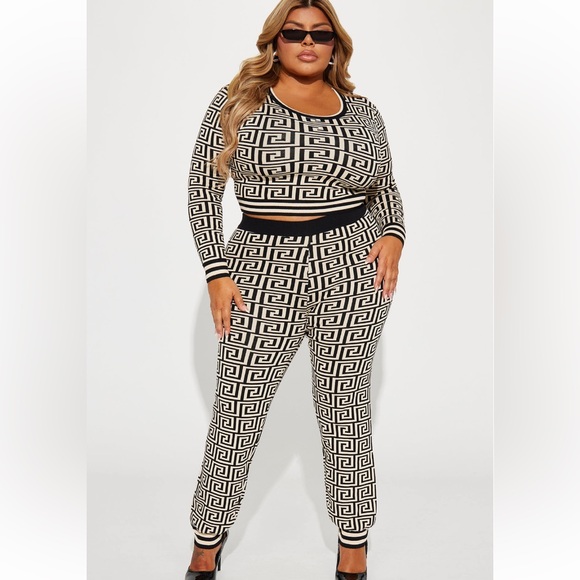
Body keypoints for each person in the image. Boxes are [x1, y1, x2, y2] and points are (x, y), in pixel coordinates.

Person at [185, 1, 405, 578]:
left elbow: (385, 188)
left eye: (320, 34)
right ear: (275, 41)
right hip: (260, 264)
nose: (308, 42)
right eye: (294, 32)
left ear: (336, 45)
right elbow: (202, 190)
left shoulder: (363, 111)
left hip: (350, 264)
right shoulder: (237, 103)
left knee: (345, 406)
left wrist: (394, 235)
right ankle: (207, 538)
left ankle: (354, 542)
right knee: (237, 408)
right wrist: (217, 272)